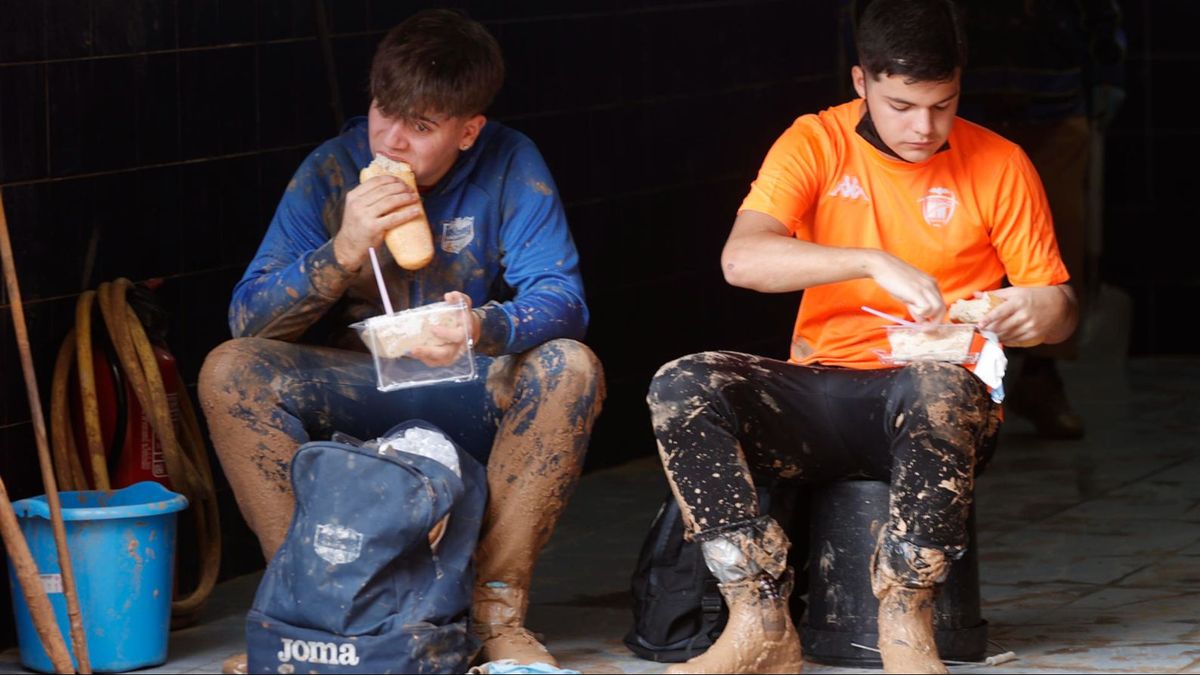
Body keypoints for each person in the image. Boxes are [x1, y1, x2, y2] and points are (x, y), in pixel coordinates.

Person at [646, 0, 1076, 673]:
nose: (924, 126)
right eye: (902, 104)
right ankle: (758, 616)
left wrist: (1037, 312)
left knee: (938, 386)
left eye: (943, 104)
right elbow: (742, 259)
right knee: (684, 383)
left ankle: (905, 621)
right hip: (820, 391)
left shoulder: (1001, 162)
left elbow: (1058, 304)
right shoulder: (816, 140)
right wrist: (871, 261)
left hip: (938, 406)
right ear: (860, 82)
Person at [197, 9, 604, 672]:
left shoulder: (509, 162)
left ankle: (494, 614)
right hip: (356, 385)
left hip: (462, 384)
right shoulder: (334, 168)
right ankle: (312, 604)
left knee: (570, 367)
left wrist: (482, 324)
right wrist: (341, 250)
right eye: (386, 112)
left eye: (422, 126)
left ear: (469, 130)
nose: (394, 140)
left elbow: (561, 300)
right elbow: (248, 320)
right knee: (229, 370)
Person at [958, 0, 1126, 439]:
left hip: (1054, 105)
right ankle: (957, 388)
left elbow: (1103, 12)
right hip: (958, 107)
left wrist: (1110, 76)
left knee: (1058, 244)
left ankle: (1041, 378)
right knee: (956, 241)